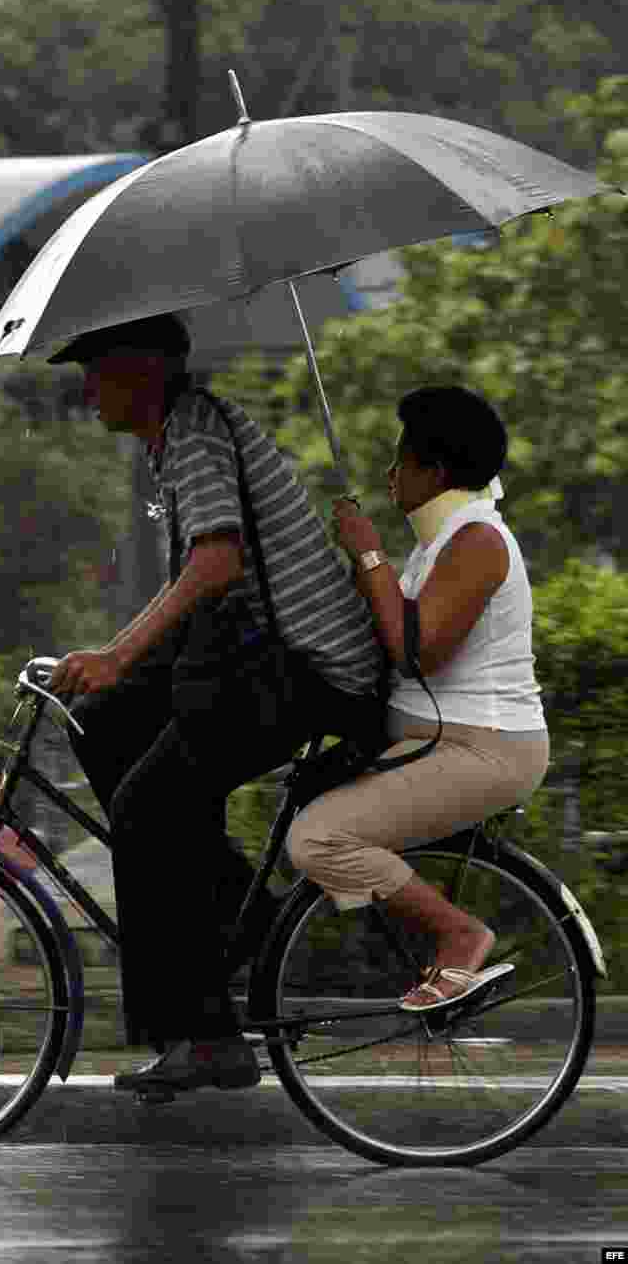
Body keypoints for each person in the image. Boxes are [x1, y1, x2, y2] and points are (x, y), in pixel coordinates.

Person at [46, 313, 385, 1095]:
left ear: (143, 368)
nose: (87, 387)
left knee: (147, 806)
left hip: (305, 668)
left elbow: (217, 564)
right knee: (99, 723)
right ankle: (239, 916)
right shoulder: (180, 439)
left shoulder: (194, 432)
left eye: (95, 367)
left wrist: (117, 654)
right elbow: (196, 587)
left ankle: (202, 1035)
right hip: (255, 656)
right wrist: (109, 665)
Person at [287, 384, 550, 1011]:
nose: (388, 472)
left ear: (435, 471)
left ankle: (460, 935)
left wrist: (369, 551)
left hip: (485, 750)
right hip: (440, 739)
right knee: (306, 797)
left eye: (400, 460)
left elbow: (416, 648)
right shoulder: (445, 541)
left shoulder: (480, 540)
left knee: (317, 839)